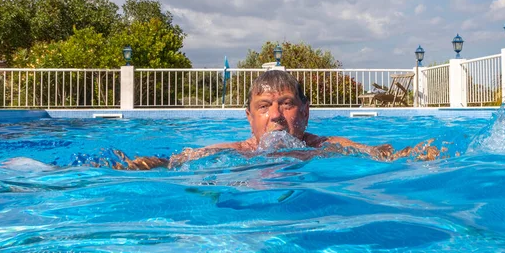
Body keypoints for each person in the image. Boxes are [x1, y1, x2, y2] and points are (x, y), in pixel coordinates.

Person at [115, 70, 441, 170]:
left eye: (286, 104)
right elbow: (181, 159)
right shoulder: (238, 150)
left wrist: (411, 155)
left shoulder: (324, 146)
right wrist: (145, 164)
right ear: (249, 117)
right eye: (264, 106)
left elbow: (375, 152)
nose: (275, 116)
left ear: (305, 111)